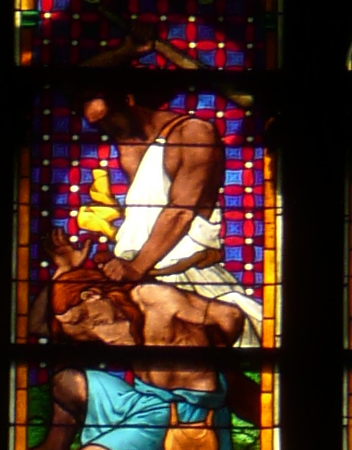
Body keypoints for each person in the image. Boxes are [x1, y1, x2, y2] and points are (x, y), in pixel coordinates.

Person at [28, 276, 254, 450]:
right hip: (141, 398)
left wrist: (210, 360)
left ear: (91, 295)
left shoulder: (152, 296)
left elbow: (230, 315)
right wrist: (63, 272)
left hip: (180, 410)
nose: (84, 327)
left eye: (82, 317)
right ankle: (54, 449)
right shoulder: (100, 321)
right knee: (67, 381)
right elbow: (37, 326)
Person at [77, 82, 263, 346]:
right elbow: (142, 218)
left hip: (190, 280)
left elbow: (180, 212)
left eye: (110, 119)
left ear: (129, 100)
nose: (107, 130)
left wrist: (135, 267)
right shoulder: (128, 146)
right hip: (141, 278)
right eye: (98, 125)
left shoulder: (192, 134)